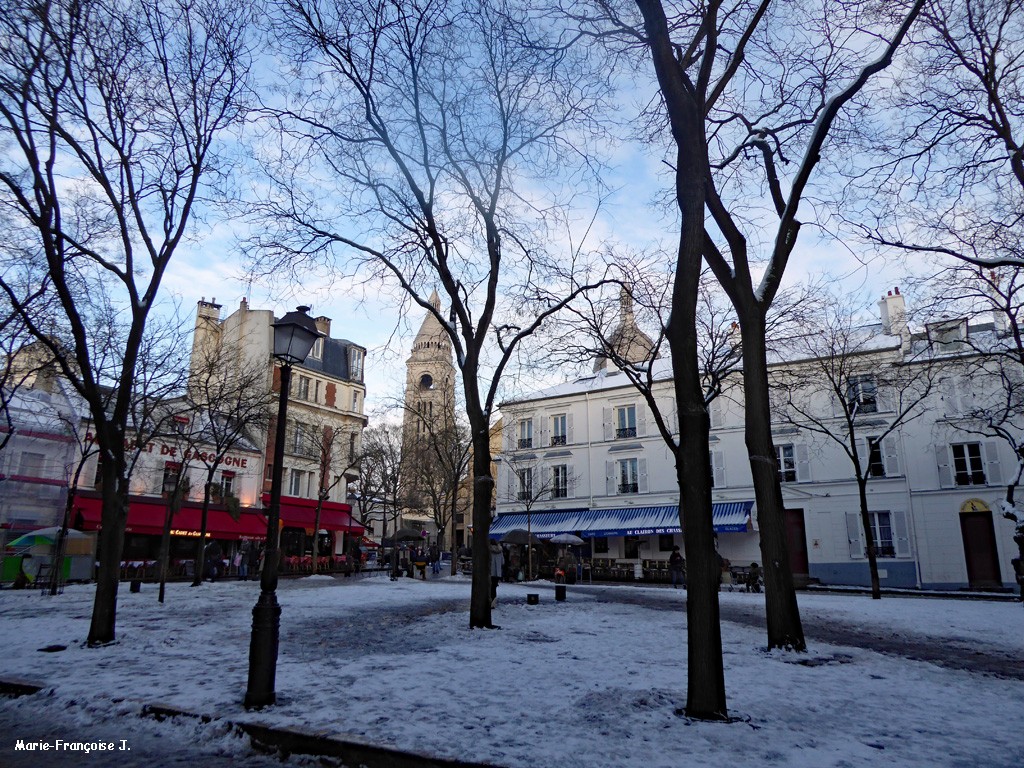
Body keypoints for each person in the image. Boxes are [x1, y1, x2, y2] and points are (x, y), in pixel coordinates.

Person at [489, 540, 503, 608]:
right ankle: (493, 602)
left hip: (490, 572)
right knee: (494, 587)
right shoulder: (500, 551)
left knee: (489, 587)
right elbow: (503, 562)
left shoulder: (489, 550)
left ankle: (489, 601)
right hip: (497, 573)